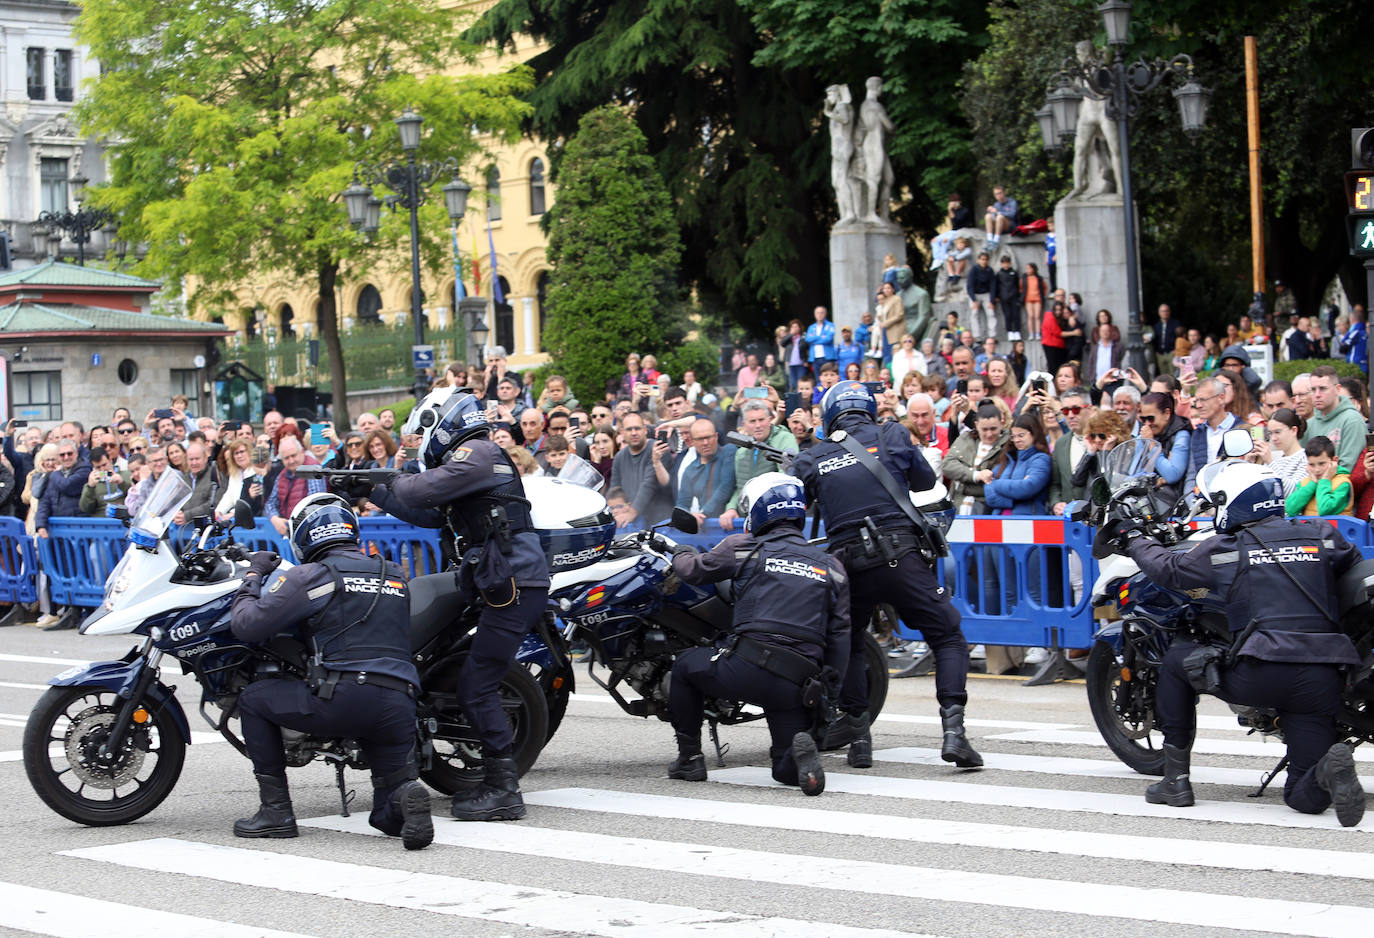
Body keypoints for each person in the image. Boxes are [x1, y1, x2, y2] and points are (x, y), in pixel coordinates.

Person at [1120, 461, 1366, 826]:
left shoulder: (1227, 547)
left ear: (1231, 502)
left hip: (1263, 671)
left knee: (1176, 661)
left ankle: (1175, 782)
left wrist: (1133, 538)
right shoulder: (1321, 533)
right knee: (1302, 795)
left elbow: (1170, 569)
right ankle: (1328, 769)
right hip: (1322, 676)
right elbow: (1350, 563)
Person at [368, 388, 549, 822]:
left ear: (444, 421)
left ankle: (504, 789)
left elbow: (421, 488)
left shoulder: (480, 452)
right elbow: (432, 513)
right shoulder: (470, 462)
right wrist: (372, 489)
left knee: (477, 684)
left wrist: (386, 480)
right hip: (498, 579)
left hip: (515, 582)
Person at [791, 382, 981, 770]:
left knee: (853, 645)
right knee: (947, 636)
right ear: (867, 408)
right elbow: (925, 482)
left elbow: (793, 500)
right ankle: (954, 734)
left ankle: (860, 740)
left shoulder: (814, 456)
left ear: (829, 415)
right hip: (900, 556)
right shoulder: (891, 432)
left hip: (848, 564)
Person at [228, 494, 433, 849]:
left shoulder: (311, 576)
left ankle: (276, 811)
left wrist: (253, 574)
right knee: (382, 813)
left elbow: (247, 624)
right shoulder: (393, 574)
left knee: (252, 700)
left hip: (346, 698)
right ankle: (403, 800)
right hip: (400, 705)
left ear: (304, 537)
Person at [665, 473, 848, 795]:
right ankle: (797, 763)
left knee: (683, 666)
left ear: (760, 511)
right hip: (797, 683)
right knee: (783, 770)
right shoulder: (831, 566)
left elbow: (693, 570)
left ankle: (690, 758)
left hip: (747, 669)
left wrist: (677, 551)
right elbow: (840, 634)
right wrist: (828, 692)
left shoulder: (744, 547)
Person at [1304, 365, 1365, 473]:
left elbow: (1347, 469)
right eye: (1313, 390)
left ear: (1337, 389)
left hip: (1339, 487)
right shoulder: (1309, 424)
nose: (1317, 395)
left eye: (1323, 389)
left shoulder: (1352, 420)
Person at [1285, 436, 1353, 517]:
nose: (1317, 470)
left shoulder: (1342, 483)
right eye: (1311, 465)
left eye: (1321, 464)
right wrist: (1312, 484)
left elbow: (1325, 510)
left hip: (1337, 528)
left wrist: (1325, 480)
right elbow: (1290, 509)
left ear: (1334, 461)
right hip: (1310, 528)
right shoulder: (1305, 483)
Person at [965, 252, 996, 340]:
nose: (984, 261)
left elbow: (993, 285)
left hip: (986, 294)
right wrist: (974, 300)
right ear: (978, 260)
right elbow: (970, 286)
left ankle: (992, 335)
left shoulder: (990, 270)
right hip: (975, 294)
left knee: (991, 313)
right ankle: (977, 336)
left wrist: (992, 301)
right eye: (982, 259)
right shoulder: (973, 270)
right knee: (974, 314)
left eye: (986, 260)